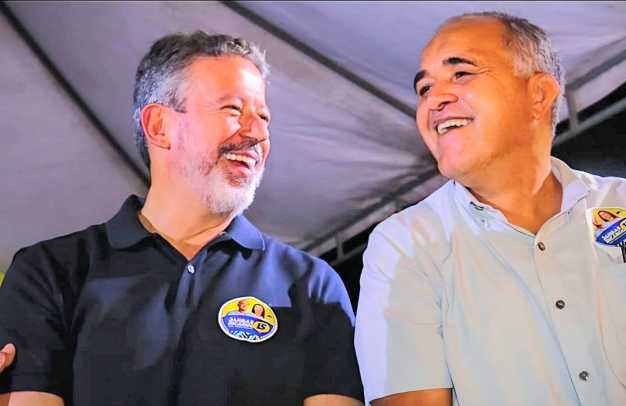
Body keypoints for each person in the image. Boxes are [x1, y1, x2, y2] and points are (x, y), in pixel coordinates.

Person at [354, 11, 626, 406]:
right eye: (424, 88)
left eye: (461, 73)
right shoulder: (404, 245)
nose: (433, 99)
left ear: (539, 94)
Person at [0, 31, 363, 406]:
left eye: (264, 117)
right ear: (159, 125)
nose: (258, 133)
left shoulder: (310, 285)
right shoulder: (50, 272)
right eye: (233, 110)